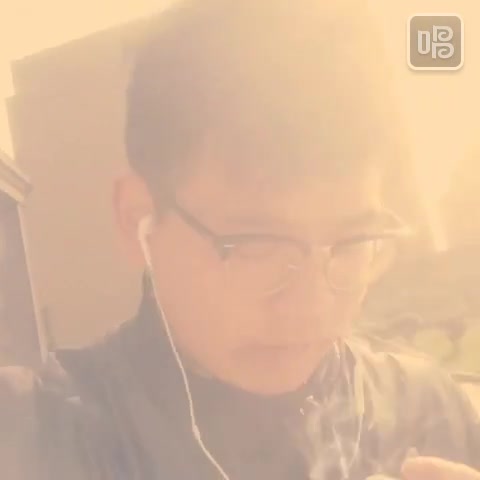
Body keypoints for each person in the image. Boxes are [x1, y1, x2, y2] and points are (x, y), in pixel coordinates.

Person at [1, 0, 480, 479]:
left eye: (352, 242)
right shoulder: (32, 438)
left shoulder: (428, 412)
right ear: (138, 220)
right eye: (257, 245)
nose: (312, 308)